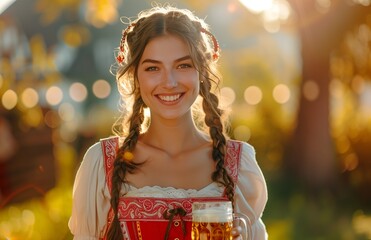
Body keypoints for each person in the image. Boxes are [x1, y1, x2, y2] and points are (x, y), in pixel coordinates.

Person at [69, 5, 268, 240]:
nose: (169, 82)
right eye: (153, 68)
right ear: (135, 77)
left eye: (183, 65)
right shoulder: (102, 165)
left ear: (201, 72)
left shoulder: (238, 165)